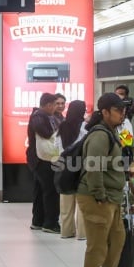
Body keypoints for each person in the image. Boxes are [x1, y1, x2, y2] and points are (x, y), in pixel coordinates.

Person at [76, 93, 134, 267]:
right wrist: (99, 194)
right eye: (118, 110)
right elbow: (93, 167)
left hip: (113, 197)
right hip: (97, 197)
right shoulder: (100, 135)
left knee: (117, 237)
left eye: (123, 110)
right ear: (105, 112)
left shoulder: (112, 132)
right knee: (98, 243)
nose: (122, 114)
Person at [27, 92, 61, 234]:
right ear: (48, 105)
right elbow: (46, 133)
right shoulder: (38, 117)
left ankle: (38, 221)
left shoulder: (47, 116)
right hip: (42, 160)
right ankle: (50, 223)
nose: (57, 107)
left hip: (41, 159)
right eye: (55, 104)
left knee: (41, 191)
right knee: (50, 192)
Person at [56, 100, 87, 240]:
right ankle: (82, 233)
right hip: (81, 167)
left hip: (64, 166)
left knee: (66, 202)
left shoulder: (62, 126)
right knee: (82, 203)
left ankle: (66, 231)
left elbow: (57, 146)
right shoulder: (85, 127)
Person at [114, 85, 134, 227]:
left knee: (126, 187)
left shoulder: (125, 123)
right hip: (108, 161)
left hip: (122, 159)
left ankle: (132, 212)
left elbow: (127, 142)